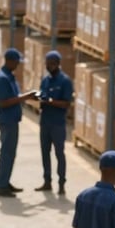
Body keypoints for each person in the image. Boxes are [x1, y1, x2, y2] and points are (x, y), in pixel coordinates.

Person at [0, 48, 37, 197]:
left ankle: (5, 181)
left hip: (13, 119)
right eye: (17, 62)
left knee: (10, 153)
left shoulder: (10, 76)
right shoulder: (2, 78)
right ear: (10, 61)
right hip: (7, 120)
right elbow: (2, 102)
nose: (18, 65)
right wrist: (25, 97)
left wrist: (27, 97)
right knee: (6, 153)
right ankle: (1, 185)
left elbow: (14, 96)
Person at [34, 50, 73, 195]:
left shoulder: (65, 81)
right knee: (45, 153)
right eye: (47, 63)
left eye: (51, 64)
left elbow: (66, 103)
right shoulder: (45, 80)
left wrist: (50, 101)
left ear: (57, 64)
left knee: (59, 153)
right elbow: (42, 95)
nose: (48, 66)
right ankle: (47, 181)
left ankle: (61, 183)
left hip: (57, 123)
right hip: (45, 122)